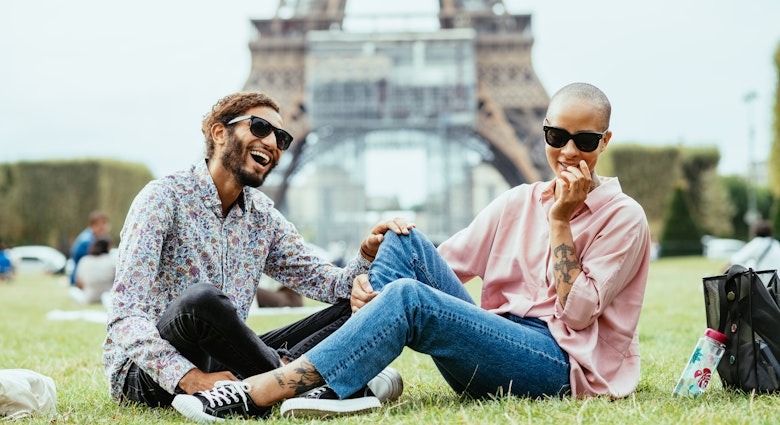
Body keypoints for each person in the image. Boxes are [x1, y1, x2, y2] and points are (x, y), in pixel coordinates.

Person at [172, 82, 652, 422]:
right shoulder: (517, 201)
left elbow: (581, 313)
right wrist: (382, 257)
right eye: (556, 137)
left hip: (558, 364)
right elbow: (443, 265)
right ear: (544, 131)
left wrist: (560, 221)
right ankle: (344, 378)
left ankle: (259, 391)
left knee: (406, 297)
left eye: (584, 141)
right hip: (499, 341)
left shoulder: (624, 217)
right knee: (403, 245)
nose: (568, 151)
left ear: (605, 142)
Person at [102, 91, 409, 414]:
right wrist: (189, 377)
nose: (273, 142)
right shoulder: (163, 198)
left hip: (226, 362)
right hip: (148, 372)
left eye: (282, 137)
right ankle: (313, 383)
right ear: (220, 133)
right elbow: (125, 315)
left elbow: (330, 284)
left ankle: (284, 383)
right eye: (261, 127)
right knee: (200, 301)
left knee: (356, 305)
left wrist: (364, 256)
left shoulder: (262, 217)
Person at [70, 237, 116, 305]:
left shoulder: (84, 260)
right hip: (108, 295)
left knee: (72, 291)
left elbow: (79, 282)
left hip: (89, 297)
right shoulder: (112, 260)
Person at [69, 211, 110, 286]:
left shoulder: (94, 238)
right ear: (93, 225)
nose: (105, 227)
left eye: (105, 224)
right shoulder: (87, 241)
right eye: (102, 224)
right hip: (81, 280)